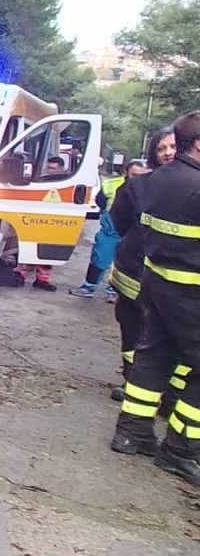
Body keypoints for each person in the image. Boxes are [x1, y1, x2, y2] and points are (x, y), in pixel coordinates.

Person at [110, 111, 200, 485]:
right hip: (192, 290)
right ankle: (181, 449)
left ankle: (133, 431)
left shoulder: (152, 181)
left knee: (154, 354)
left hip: (157, 280)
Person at [104, 128, 175, 402]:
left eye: (172, 147)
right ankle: (132, 380)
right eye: (162, 148)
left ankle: (163, 391)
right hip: (134, 273)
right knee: (133, 331)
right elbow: (118, 223)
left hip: (172, 281)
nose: (168, 152)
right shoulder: (136, 186)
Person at [71, 161, 148, 299]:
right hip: (111, 230)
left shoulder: (149, 188)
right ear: (126, 173)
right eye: (134, 175)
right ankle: (89, 286)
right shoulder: (112, 185)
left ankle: (114, 292)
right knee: (100, 258)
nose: (137, 178)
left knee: (125, 263)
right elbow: (100, 201)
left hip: (133, 232)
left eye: (141, 175)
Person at [10, 157, 70, 291]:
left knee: (48, 251)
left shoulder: (67, 182)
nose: (49, 170)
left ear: (61, 168)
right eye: (48, 167)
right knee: (28, 247)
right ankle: (20, 275)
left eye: (53, 168)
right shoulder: (40, 180)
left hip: (55, 221)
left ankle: (42, 280)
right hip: (36, 218)